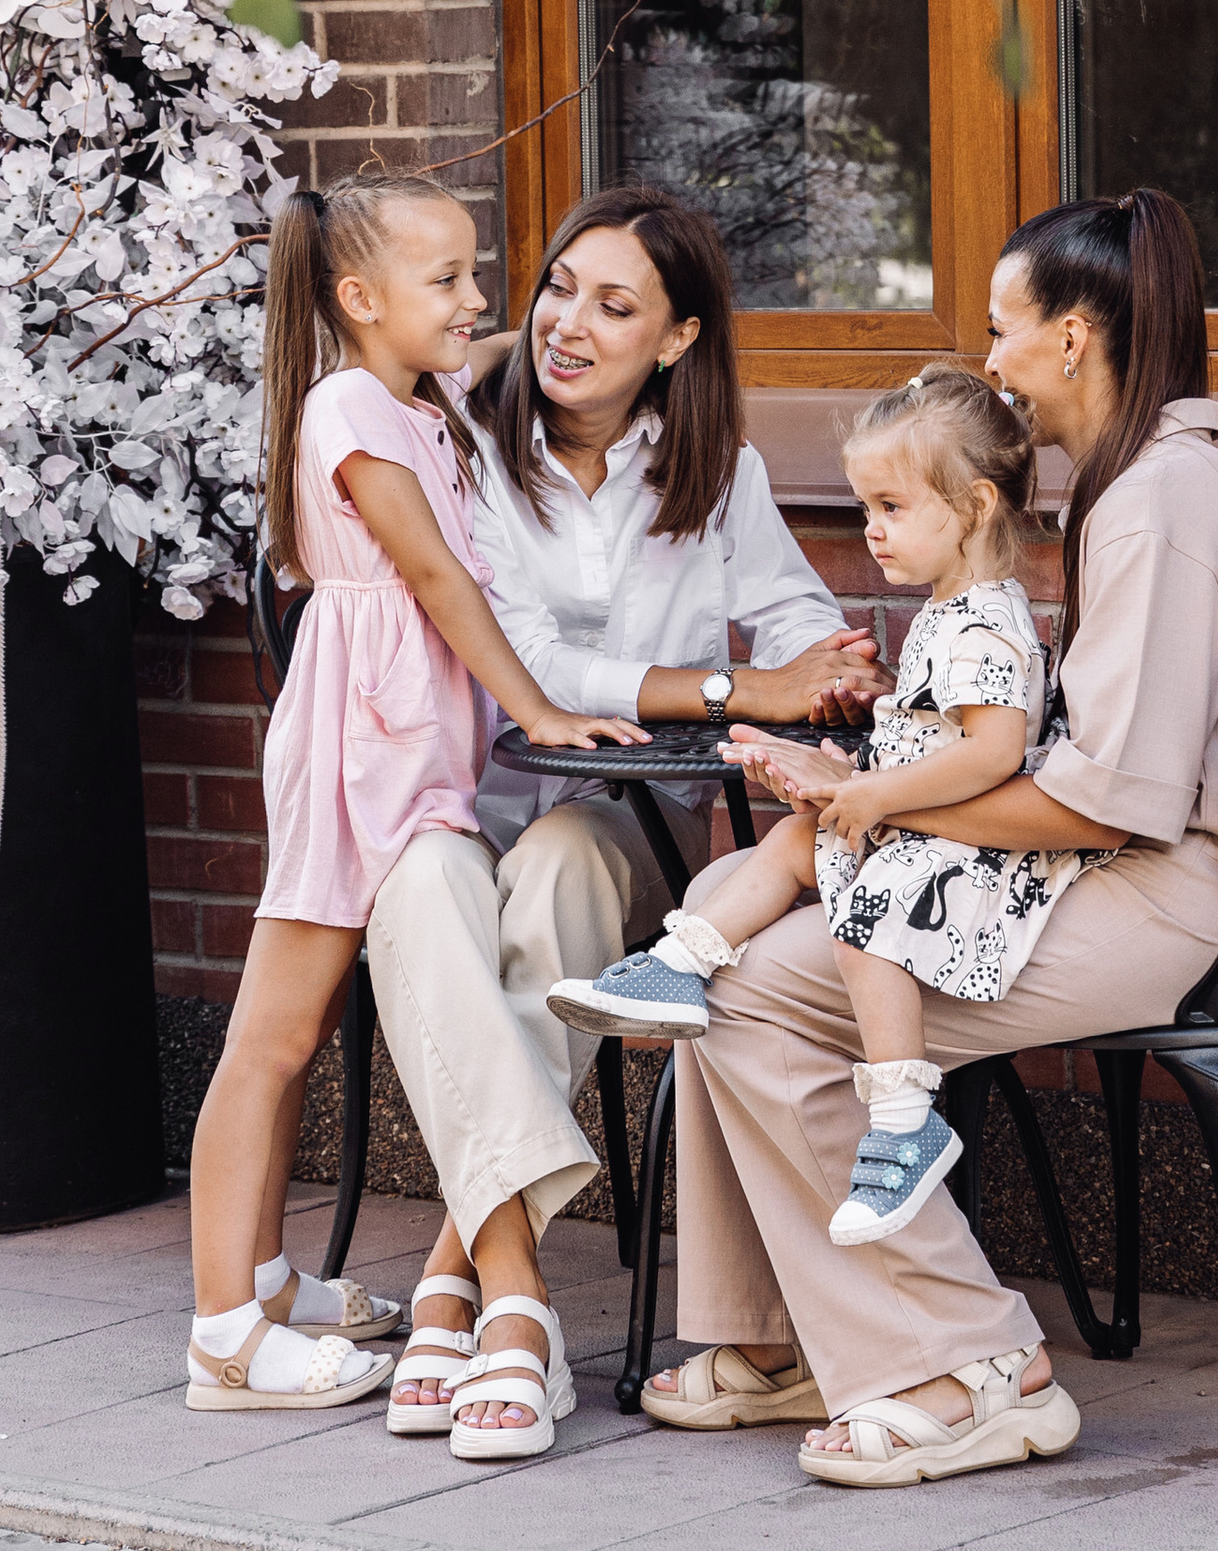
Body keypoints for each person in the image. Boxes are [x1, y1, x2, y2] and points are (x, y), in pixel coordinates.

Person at [643, 188, 1218, 1484]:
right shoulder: (1152, 481)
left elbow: (1109, 798)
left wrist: (873, 800)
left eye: (1004, 330)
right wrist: (870, 792)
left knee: (755, 992)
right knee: (766, 957)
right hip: (1189, 882)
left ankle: (968, 1365)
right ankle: (792, 1339)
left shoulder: (1157, 503)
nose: (989, 361)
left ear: (1074, 337)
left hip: (1188, 907)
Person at [366, 182, 879, 1426]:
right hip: (455, 806)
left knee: (565, 863)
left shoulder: (714, 469)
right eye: (555, 289)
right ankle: (508, 1288)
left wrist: (833, 666)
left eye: (614, 304)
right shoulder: (463, 453)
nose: (566, 325)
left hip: (633, 830)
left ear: (680, 337)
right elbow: (527, 662)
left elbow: (798, 611)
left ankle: (458, 1281)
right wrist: (735, 685)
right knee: (440, 881)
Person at [184, 175, 635, 1462]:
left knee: (301, 1024)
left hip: (404, 749)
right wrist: (538, 710)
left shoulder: (420, 404)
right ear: (359, 300)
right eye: (447, 282)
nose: (478, 301)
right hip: (358, 755)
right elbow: (431, 578)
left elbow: (494, 363)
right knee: (272, 1039)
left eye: (479, 273)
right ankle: (226, 1326)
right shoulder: (347, 404)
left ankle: (270, 1281)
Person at [551, 363, 1092, 1253]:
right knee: (800, 840)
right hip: (922, 819)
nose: (871, 530)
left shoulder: (983, 627)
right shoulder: (949, 609)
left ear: (977, 506)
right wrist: (849, 770)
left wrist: (873, 792)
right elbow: (935, 741)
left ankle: (904, 1111)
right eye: (865, 508)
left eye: (891, 507)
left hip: (978, 859)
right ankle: (682, 963)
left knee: (859, 908)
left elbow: (993, 753)